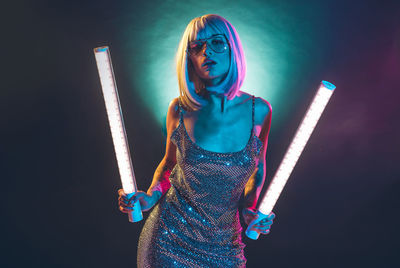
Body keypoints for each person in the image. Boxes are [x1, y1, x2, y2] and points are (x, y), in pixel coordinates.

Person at [118, 14, 275, 267]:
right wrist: (149, 196)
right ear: (189, 57)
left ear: (232, 48)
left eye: (217, 43)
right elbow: (169, 164)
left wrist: (250, 210)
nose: (206, 52)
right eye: (196, 46)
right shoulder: (179, 109)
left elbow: (257, 168)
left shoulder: (260, 111)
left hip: (225, 246)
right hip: (169, 240)